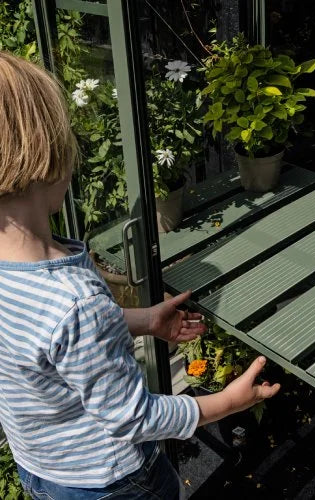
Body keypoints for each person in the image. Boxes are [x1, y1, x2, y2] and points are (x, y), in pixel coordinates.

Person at [0, 51, 280, 499]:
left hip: (44, 469)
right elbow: (133, 417)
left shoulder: (26, 281)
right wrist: (230, 402)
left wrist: (144, 320)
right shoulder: (73, 300)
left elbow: (42, 344)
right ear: (50, 154)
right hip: (111, 481)